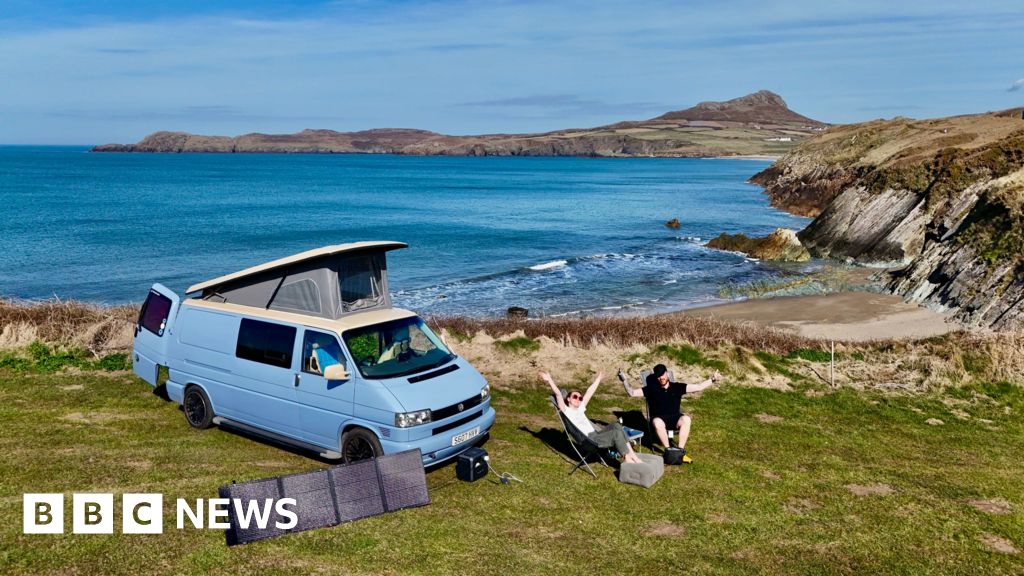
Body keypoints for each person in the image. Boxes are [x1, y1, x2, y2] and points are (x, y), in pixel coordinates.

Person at [540, 370, 643, 464]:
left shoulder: (580, 408)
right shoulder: (566, 411)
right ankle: (627, 458)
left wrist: (598, 379)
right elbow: (558, 394)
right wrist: (549, 380)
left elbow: (589, 392)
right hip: (589, 440)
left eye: (580, 398)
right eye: (575, 397)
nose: (578, 399)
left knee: (617, 426)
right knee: (616, 433)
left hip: (597, 434)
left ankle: (632, 456)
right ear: (568, 399)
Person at [624, 363, 721, 463]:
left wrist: (712, 379)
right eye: (658, 376)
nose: (661, 378)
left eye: (662, 374)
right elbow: (632, 393)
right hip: (659, 419)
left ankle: (680, 451)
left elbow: (698, 387)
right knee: (657, 422)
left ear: (667, 373)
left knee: (686, 419)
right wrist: (624, 380)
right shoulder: (651, 389)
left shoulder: (677, 387)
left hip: (675, 419)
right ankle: (669, 451)